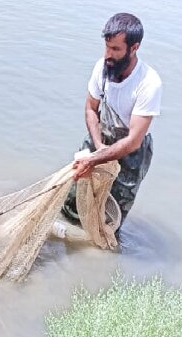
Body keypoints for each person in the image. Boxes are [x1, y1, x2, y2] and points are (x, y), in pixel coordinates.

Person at [62, 13, 162, 228]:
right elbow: (91, 108)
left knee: (108, 220)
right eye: (107, 47)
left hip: (131, 152)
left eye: (116, 49)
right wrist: (97, 148)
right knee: (72, 202)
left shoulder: (148, 83)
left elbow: (135, 140)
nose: (108, 54)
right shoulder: (102, 67)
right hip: (100, 137)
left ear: (134, 48)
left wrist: (96, 160)